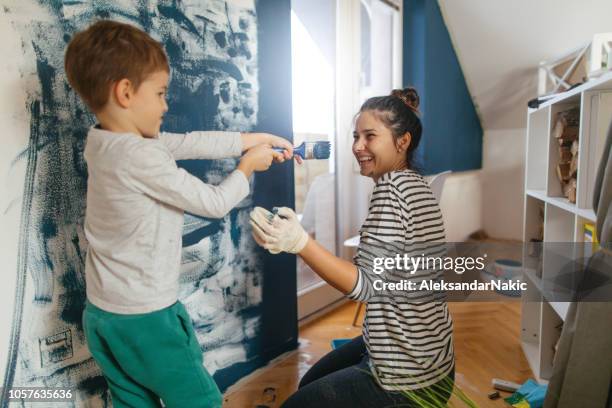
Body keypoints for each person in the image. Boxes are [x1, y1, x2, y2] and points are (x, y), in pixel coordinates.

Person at [64, 20, 293, 408]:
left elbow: (188, 142)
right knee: (198, 399)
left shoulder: (104, 142)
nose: (166, 104)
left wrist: (252, 140)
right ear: (125, 92)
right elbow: (214, 203)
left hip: (104, 315)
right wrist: (248, 167)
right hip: (148, 319)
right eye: (160, 93)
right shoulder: (142, 156)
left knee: (131, 400)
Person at [250, 88, 455, 407]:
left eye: (370, 136)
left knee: (297, 404)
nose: (358, 146)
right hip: (431, 357)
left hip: (408, 381)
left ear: (403, 142)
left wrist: (300, 242)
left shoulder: (392, 194)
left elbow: (364, 287)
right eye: (356, 136)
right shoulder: (415, 184)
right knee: (310, 382)